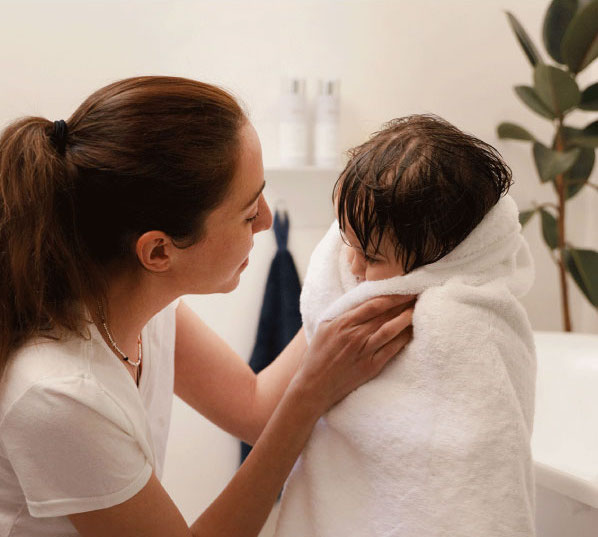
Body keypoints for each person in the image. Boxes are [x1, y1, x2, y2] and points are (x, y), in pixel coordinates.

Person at [0, 76, 415, 537]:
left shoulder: (143, 311)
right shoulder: (57, 393)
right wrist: (311, 393)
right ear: (158, 252)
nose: (266, 218)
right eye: (245, 211)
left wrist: (360, 257)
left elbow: (255, 410)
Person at [274, 115, 537, 537]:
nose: (353, 268)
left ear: (444, 258)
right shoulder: (347, 302)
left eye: (373, 258)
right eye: (348, 244)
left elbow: (480, 461)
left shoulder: (471, 325)